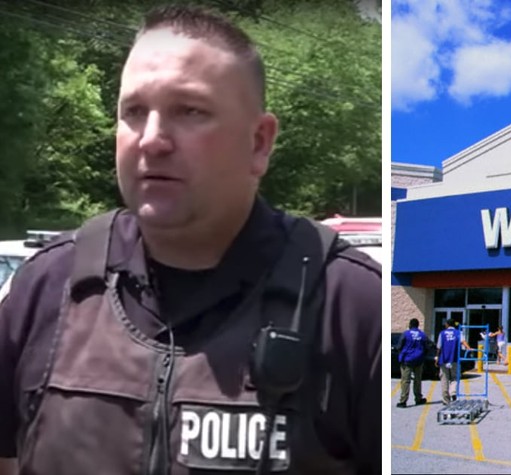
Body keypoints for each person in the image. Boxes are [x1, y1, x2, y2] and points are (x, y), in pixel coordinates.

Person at [0, 6, 381, 475]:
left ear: (260, 143)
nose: (152, 139)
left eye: (190, 111)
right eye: (134, 112)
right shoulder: (47, 287)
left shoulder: (354, 308)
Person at [436, 318, 472, 405]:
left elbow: (439, 347)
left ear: (447, 324)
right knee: (455, 377)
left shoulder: (442, 333)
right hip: (454, 359)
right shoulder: (458, 333)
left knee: (444, 379)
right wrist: (469, 348)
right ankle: (453, 393)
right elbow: (463, 341)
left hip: (444, 359)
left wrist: (437, 357)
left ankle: (445, 399)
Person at [397, 318, 428, 408]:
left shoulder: (406, 334)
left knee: (406, 381)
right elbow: (427, 346)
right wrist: (422, 355)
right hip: (419, 359)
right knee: (417, 380)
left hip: (407, 360)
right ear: (418, 325)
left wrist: (401, 355)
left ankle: (403, 401)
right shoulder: (422, 335)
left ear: (410, 325)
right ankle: (418, 398)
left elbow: (399, 346)